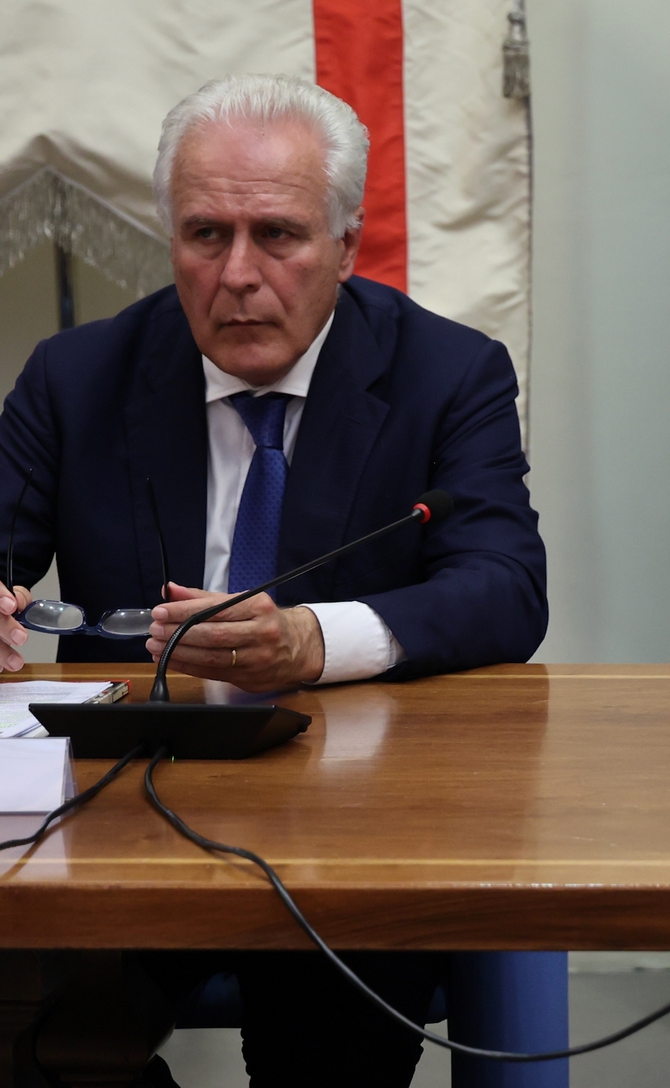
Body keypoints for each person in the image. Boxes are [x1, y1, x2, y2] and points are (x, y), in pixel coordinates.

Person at [0, 75, 548, 1088]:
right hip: (118, 820)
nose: (238, 275)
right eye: (206, 235)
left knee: (329, 1051)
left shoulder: (447, 375)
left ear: (346, 244)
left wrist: (312, 639)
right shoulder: (77, 378)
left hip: (347, 825)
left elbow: (505, 588)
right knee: (39, 1033)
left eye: (278, 236)